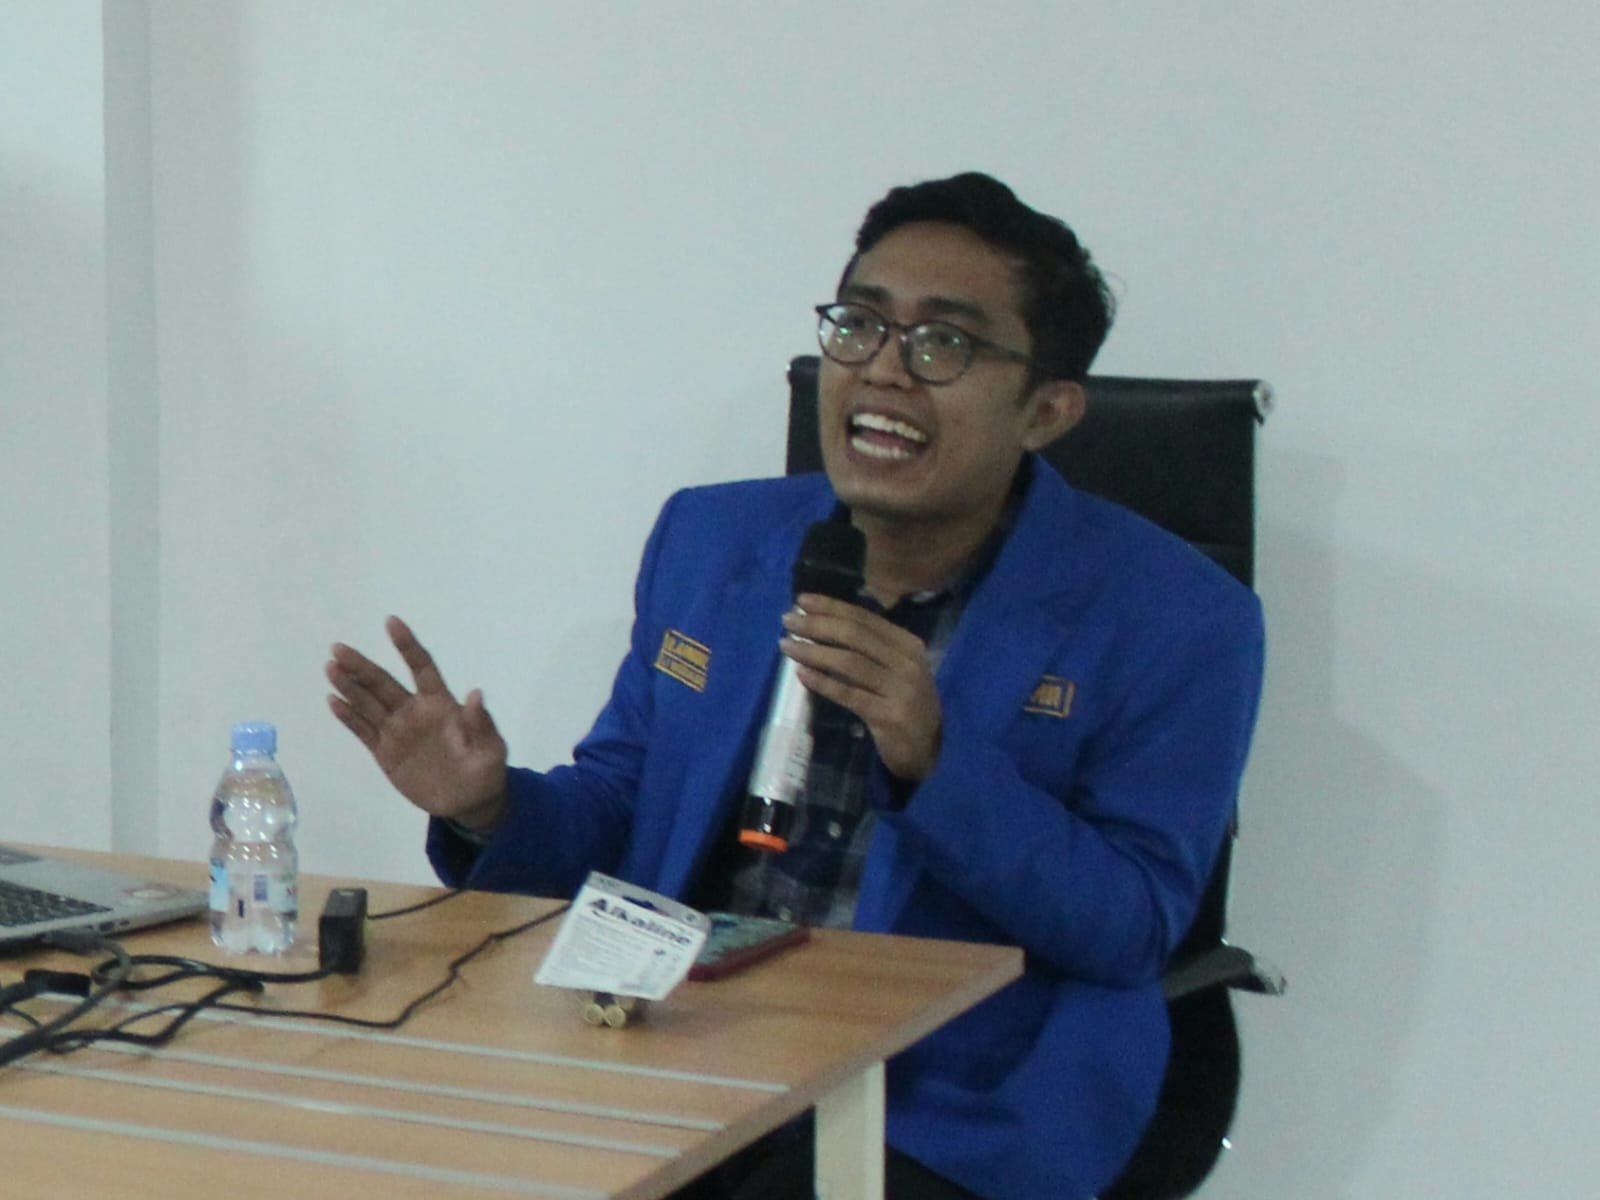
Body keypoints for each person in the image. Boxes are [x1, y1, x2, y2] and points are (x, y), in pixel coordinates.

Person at [325, 172, 1264, 1200]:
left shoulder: (1177, 616)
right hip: (683, 1040)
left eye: (944, 343)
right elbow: (627, 810)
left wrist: (939, 762)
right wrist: (488, 807)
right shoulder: (713, 538)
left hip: (951, 1086)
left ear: (1045, 410)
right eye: (859, 325)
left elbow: (1131, 926)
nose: (884, 371)